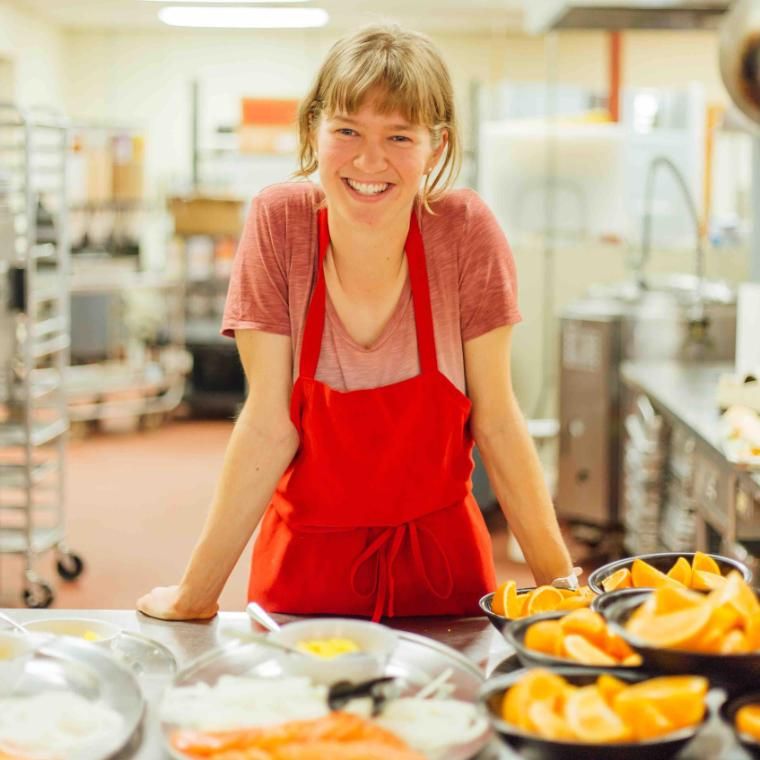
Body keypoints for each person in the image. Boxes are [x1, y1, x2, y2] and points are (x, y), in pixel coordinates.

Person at [137, 24, 575, 623]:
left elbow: (497, 421)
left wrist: (565, 591)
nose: (370, 161)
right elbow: (269, 424)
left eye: (399, 136)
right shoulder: (280, 223)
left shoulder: (464, 231)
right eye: (347, 130)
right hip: (302, 579)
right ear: (314, 128)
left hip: (442, 578)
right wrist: (196, 594)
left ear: (437, 146)